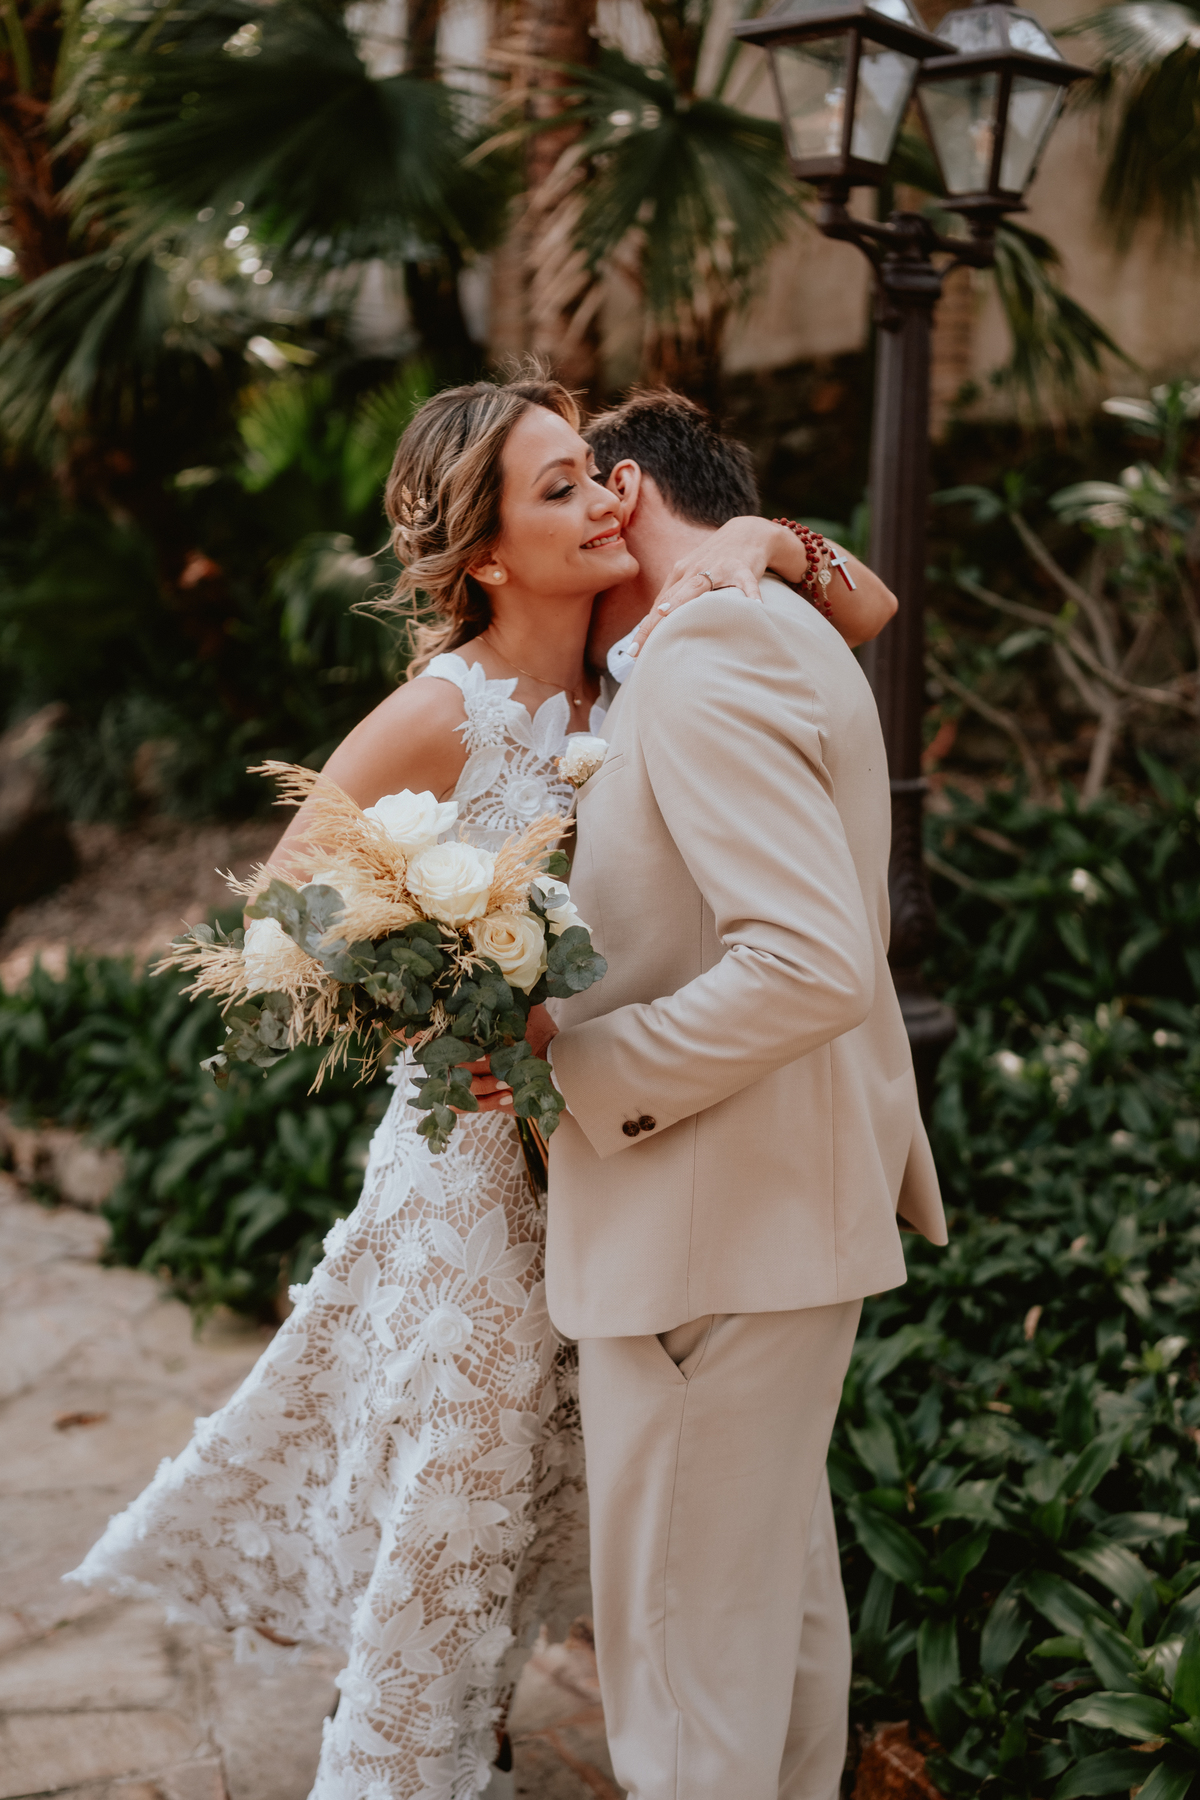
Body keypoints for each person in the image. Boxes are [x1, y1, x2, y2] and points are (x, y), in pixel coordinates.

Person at [67, 369, 896, 1800]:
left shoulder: (649, 663)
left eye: (600, 472)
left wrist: (760, 541)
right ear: (486, 550)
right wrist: (457, 996)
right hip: (484, 1161)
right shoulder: (443, 709)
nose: (603, 500)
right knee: (456, 1513)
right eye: (561, 486)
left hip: (633, 1151)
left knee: (605, 1506)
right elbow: (280, 925)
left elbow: (866, 613)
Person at [503, 386, 949, 1800]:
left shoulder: (701, 664)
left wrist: (577, 1074)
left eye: (583, 484)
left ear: (625, 494)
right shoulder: (773, 635)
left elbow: (813, 958)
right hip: (754, 1217)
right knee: (769, 1642)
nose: (576, 513)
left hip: (708, 1223)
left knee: (687, 1680)